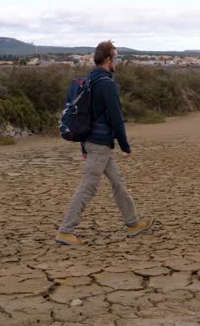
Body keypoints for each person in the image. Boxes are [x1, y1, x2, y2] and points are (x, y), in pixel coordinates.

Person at [55, 40, 153, 246]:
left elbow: (85, 115)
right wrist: (125, 145)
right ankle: (65, 231)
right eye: (116, 58)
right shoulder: (107, 84)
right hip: (100, 144)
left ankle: (133, 223)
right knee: (88, 186)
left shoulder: (90, 80)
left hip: (96, 143)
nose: (117, 62)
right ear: (108, 60)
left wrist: (83, 145)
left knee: (118, 183)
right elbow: (116, 118)